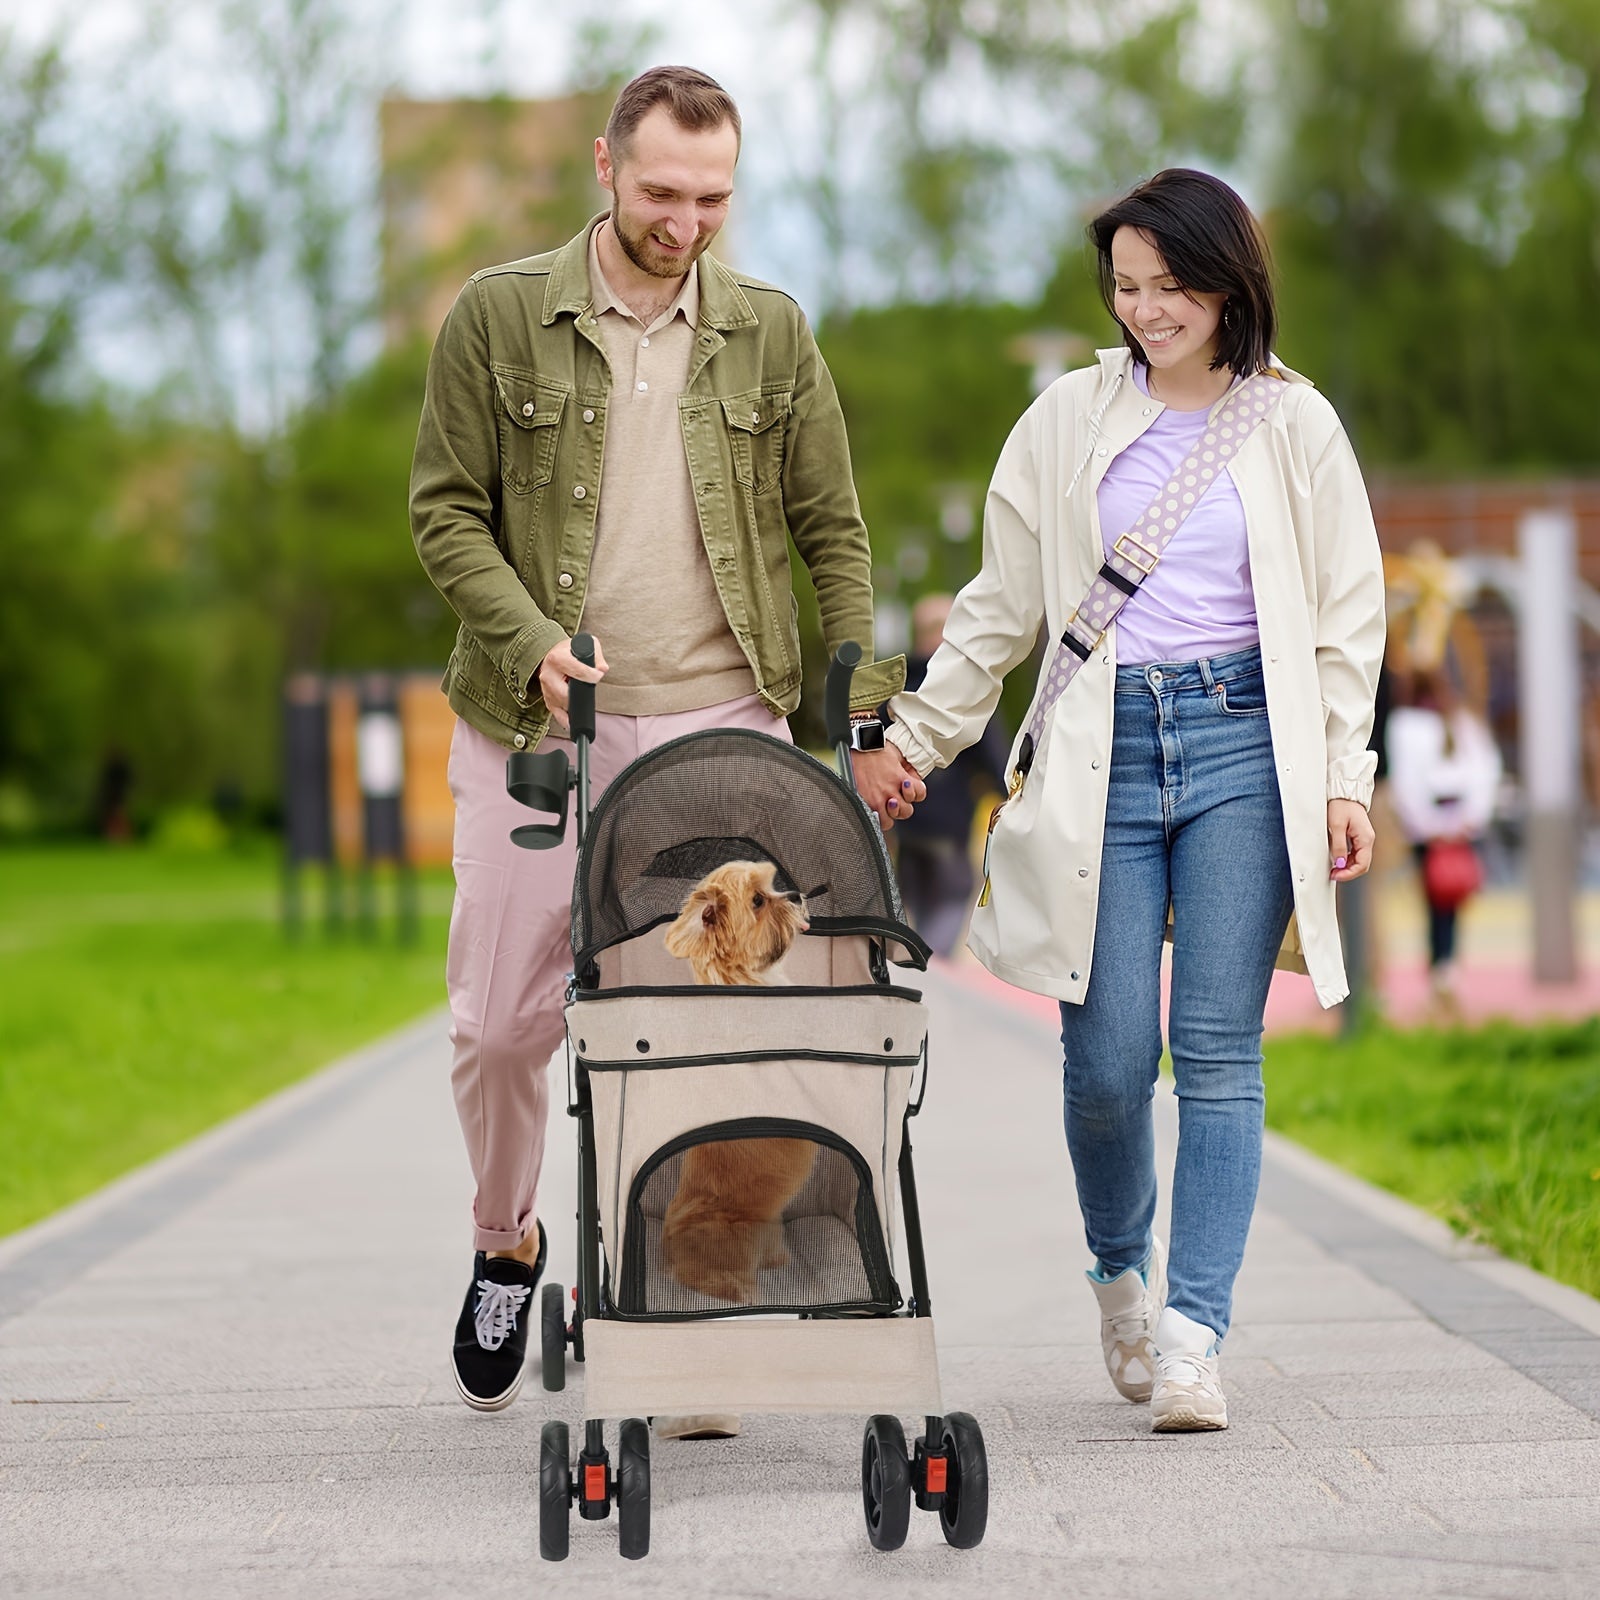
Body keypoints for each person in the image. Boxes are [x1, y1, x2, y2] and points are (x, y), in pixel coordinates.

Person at [408, 65, 921, 1424]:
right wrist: (527, 637)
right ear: (603, 166)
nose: (685, 223)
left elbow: (835, 534)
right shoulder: (500, 316)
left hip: (719, 717)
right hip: (534, 721)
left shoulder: (771, 331)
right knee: (505, 1022)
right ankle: (505, 1239)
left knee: (704, 1024)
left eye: (712, 199)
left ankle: (691, 1286)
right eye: (660, 194)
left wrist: (859, 715)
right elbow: (444, 510)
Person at [855, 169, 1385, 1431]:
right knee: (1102, 1067)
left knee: (1214, 1049)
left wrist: (1344, 774)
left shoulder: (1292, 422)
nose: (1147, 311)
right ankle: (1118, 1272)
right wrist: (916, 738)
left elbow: (1346, 614)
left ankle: (1196, 1333)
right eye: (1127, 287)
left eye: (1172, 288)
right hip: (1105, 747)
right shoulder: (1065, 419)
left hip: (1245, 747)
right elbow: (998, 609)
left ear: (1229, 282)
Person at [890, 594, 1008, 957]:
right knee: (941, 927)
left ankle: (926, 978)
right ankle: (934, 982)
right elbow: (991, 756)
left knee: (914, 917)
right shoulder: (962, 691)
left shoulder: (894, 687)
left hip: (905, 831)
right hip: (949, 833)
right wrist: (1012, 795)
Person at [1387, 667, 1501, 1016]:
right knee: (1448, 904)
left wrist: (1428, 825)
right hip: (1457, 824)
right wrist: (1468, 820)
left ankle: (1441, 970)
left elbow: (1406, 782)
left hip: (1432, 829)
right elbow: (1486, 770)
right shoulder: (1461, 721)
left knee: (1435, 902)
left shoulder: (1405, 725)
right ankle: (1445, 969)